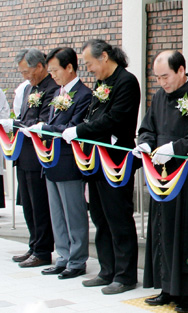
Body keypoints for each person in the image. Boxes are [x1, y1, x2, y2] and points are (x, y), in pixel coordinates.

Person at [134, 50, 188, 312]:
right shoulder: (160, 97)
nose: (162, 83)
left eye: (166, 76)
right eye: (158, 77)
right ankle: (167, 287)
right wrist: (145, 144)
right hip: (162, 177)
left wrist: (175, 148)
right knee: (164, 230)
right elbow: (147, 128)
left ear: (181, 71)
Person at [62, 39, 140, 294]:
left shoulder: (126, 82)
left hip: (116, 160)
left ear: (105, 56)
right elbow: (94, 114)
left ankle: (125, 275)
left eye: (90, 63)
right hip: (96, 159)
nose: (89, 69)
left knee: (118, 216)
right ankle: (107, 270)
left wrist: (80, 130)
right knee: (100, 215)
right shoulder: (102, 83)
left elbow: (113, 119)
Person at [25, 47, 91, 279]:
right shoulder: (58, 93)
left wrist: (47, 129)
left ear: (70, 67)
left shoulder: (84, 95)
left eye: (55, 70)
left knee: (74, 213)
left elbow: (74, 127)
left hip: (69, 161)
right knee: (57, 214)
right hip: (51, 160)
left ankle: (77, 259)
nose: (53, 75)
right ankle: (62, 256)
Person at [0, 48, 58, 267]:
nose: (25, 76)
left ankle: (43, 250)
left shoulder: (52, 89)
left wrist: (13, 124)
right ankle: (34, 245)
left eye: (27, 71)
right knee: (28, 204)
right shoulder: (29, 88)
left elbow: (42, 122)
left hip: (38, 154)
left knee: (39, 204)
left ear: (40, 66)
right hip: (24, 153)